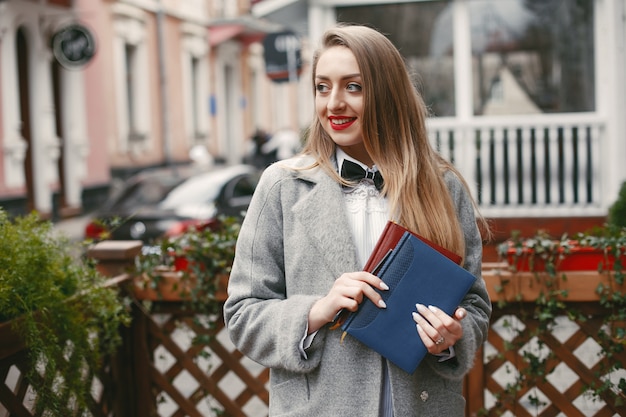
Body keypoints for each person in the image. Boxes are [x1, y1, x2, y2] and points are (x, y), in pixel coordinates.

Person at [224, 24, 491, 416]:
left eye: (353, 86)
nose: (333, 103)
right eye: (322, 87)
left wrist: (452, 337)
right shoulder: (282, 186)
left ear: (387, 93)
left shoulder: (443, 187)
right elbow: (243, 313)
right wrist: (317, 309)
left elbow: (475, 304)